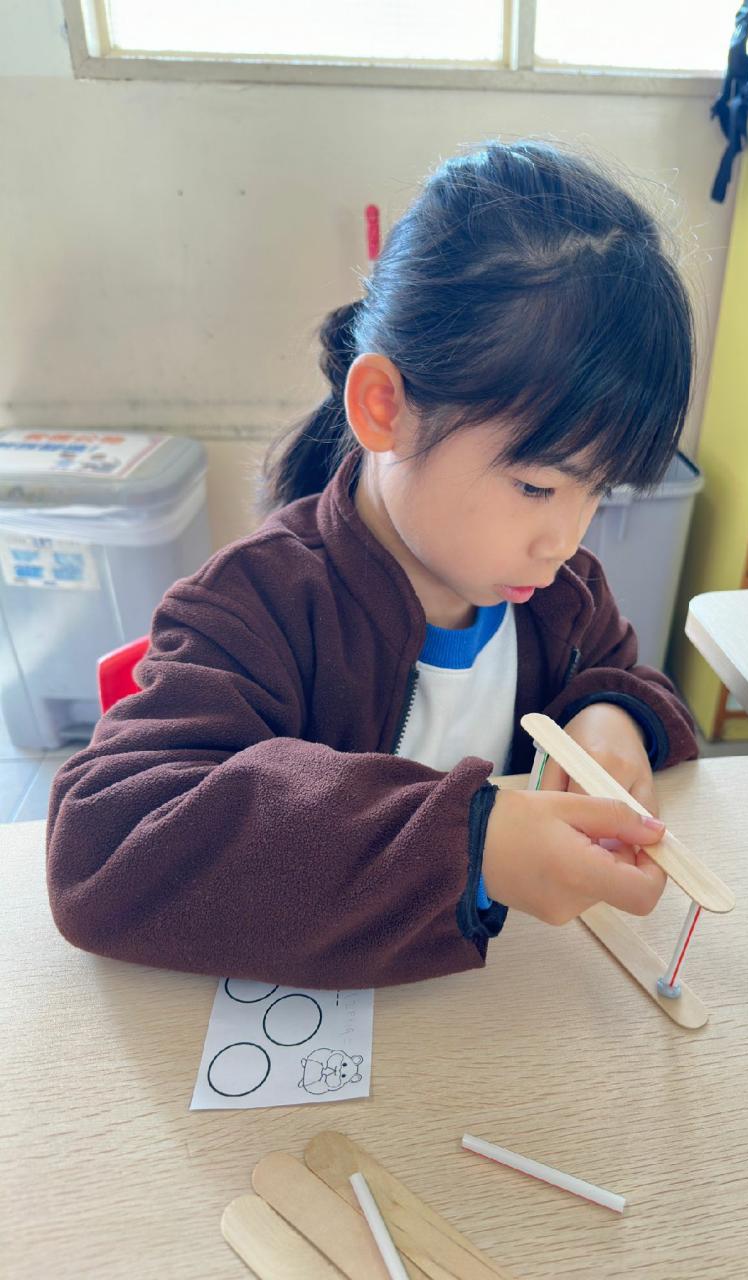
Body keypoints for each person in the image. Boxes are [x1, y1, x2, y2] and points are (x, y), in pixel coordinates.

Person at [46, 140, 698, 990]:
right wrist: (471, 847)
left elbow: (621, 672)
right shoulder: (258, 605)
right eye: (537, 486)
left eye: (598, 492)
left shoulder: (559, 596)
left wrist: (611, 717)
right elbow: (99, 846)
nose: (566, 539)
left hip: (496, 1014)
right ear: (384, 407)